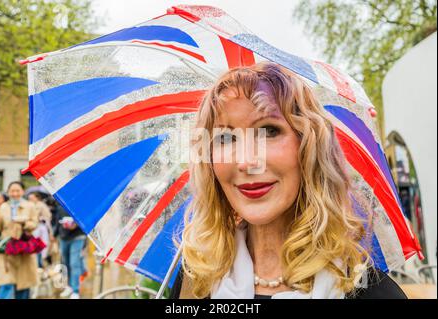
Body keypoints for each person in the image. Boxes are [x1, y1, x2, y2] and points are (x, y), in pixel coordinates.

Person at [170, 62, 407, 299]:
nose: (245, 161)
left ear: (309, 149)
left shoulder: (371, 292)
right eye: (225, 137)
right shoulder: (196, 281)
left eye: (269, 131)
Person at [0, 181, 39, 299]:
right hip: (7, 247)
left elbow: (34, 224)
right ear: (8, 192)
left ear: (22, 191)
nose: (15, 193)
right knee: (5, 282)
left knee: (23, 283)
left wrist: (24, 223)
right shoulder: (3, 206)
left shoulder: (30, 206)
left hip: (23, 247)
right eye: (12, 191)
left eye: (17, 190)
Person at [55, 202, 87, 299]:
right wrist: (53, 234)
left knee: (74, 263)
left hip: (78, 236)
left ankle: (75, 290)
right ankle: (68, 286)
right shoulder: (60, 205)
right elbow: (57, 222)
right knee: (65, 262)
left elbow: (86, 220)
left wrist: (76, 224)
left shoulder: (82, 204)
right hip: (63, 237)